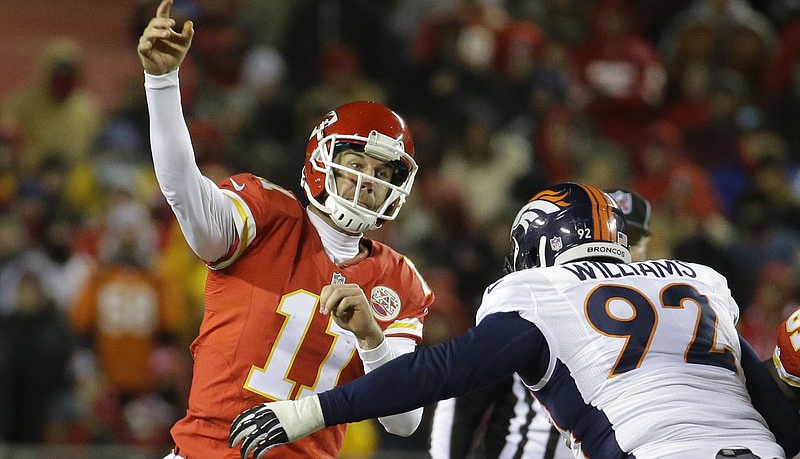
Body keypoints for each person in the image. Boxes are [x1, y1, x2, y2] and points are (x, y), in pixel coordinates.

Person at [229, 182, 800, 459]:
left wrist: (312, 410)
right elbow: (779, 419)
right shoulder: (700, 281)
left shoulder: (539, 292)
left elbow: (440, 372)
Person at [137, 0, 434, 459]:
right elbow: (182, 190)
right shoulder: (268, 216)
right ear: (323, 163)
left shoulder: (398, 279)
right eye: (355, 163)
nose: (368, 182)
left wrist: (371, 337)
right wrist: (162, 81)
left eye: (382, 173)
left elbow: (404, 420)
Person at [428, 188, 652, 459]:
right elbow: (462, 398)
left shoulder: (668, 318)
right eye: (607, 238)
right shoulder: (531, 305)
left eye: (631, 239)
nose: (620, 248)